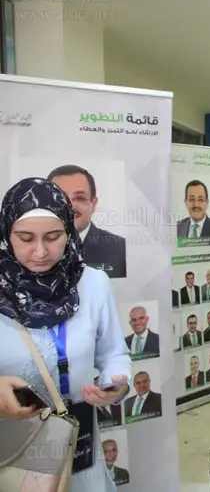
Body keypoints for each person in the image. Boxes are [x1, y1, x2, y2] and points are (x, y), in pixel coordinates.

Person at [0, 177, 131, 492]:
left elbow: (114, 354)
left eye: (54, 237)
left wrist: (116, 383)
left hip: (79, 453)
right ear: (6, 234)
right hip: (12, 457)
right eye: (25, 238)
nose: (41, 251)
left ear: (69, 232)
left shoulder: (93, 284)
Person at [48, 164, 127, 279]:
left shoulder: (120, 249)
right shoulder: (29, 249)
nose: (70, 206)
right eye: (60, 197)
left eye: (80, 198)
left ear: (93, 204)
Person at [177, 180, 210, 245]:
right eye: (191, 199)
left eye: (201, 199)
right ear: (186, 203)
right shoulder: (177, 227)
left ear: (207, 203)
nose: (196, 204)